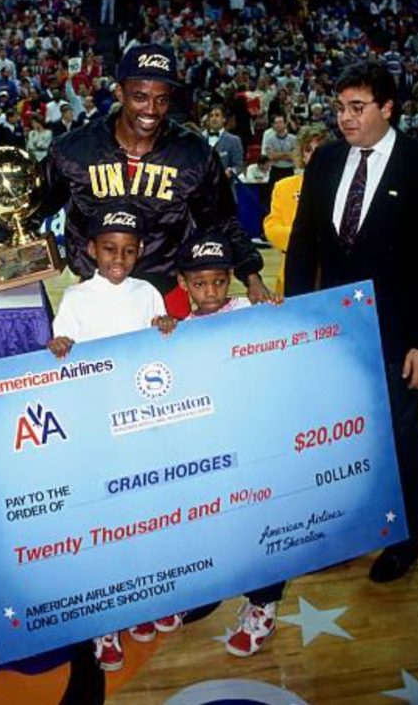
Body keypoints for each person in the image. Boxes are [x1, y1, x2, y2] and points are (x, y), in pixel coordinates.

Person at [0, 45, 272, 313]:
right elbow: (34, 204)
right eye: (140, 97)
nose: (151, 110)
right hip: (95, 293)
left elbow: (220, 222)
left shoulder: (194, 154)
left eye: (161, 100)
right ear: (119, 93)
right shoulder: (75, 149)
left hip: (165, 293)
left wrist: (252, 276)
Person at [286, 63, 418, 582]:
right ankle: (348, 534)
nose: (343, 118)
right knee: (342, 438)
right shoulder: (325, 160)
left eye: (356, 108)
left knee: (398, 436)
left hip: (398, 332)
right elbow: (303, 244)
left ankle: (404, 542)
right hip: (332, 334)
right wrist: (299, 322)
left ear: (388, 108)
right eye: (339, 107)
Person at [47, 204, 177, 672]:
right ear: (90, 250)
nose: (118, 258)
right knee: (108, 525)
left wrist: (166, 329)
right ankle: (106, 623)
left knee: (146, 515)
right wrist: (60, 347)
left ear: (139, 253)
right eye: (109, 250)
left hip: (143, 423)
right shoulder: (77, 298)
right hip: (97, 427)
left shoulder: (148, 293)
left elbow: (163, 346)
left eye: (127, 250)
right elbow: (61, 349)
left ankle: (146, 600)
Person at [175, 229, 284, 656]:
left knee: (262, 520)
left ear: (230, 279)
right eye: (199, 283)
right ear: (184, 284)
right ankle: (209, 587)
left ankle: (263, 603)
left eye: (219, 281)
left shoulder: (250, 312)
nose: (210, 291)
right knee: (214, 519)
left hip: (255, 437)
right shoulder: (179, 330)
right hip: (210, 445)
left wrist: (276, 311)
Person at [263, 123, 330, 294]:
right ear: (301, 153)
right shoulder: (284, 187)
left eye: (320, 149)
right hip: (295, 269)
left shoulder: (344, 186)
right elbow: (272, 229)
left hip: (334, 272)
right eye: (308, 149)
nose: (314, 155)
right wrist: (311, 237)